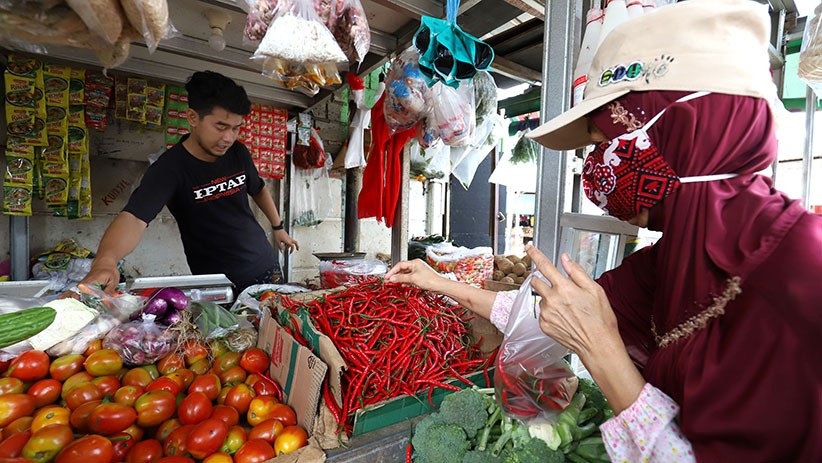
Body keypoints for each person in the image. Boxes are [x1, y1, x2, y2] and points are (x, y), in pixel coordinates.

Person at [386, 1, 822, 462]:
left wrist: (602, 352)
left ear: (687, 129)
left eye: (601, 140)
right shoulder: (674, 260)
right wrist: (435, 282)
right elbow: (543, 319)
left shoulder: (799, 277)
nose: (592, 167)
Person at [81, 71, 299, 295]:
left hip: (265, 264)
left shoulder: (238, 153)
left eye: (236, 128)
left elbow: (258, 188)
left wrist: (278, 227)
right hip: (219, 281)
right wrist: (105, 261)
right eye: (221, 127)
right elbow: (135, 217)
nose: (229, 138)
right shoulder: (170, 169)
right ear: (193, 118)